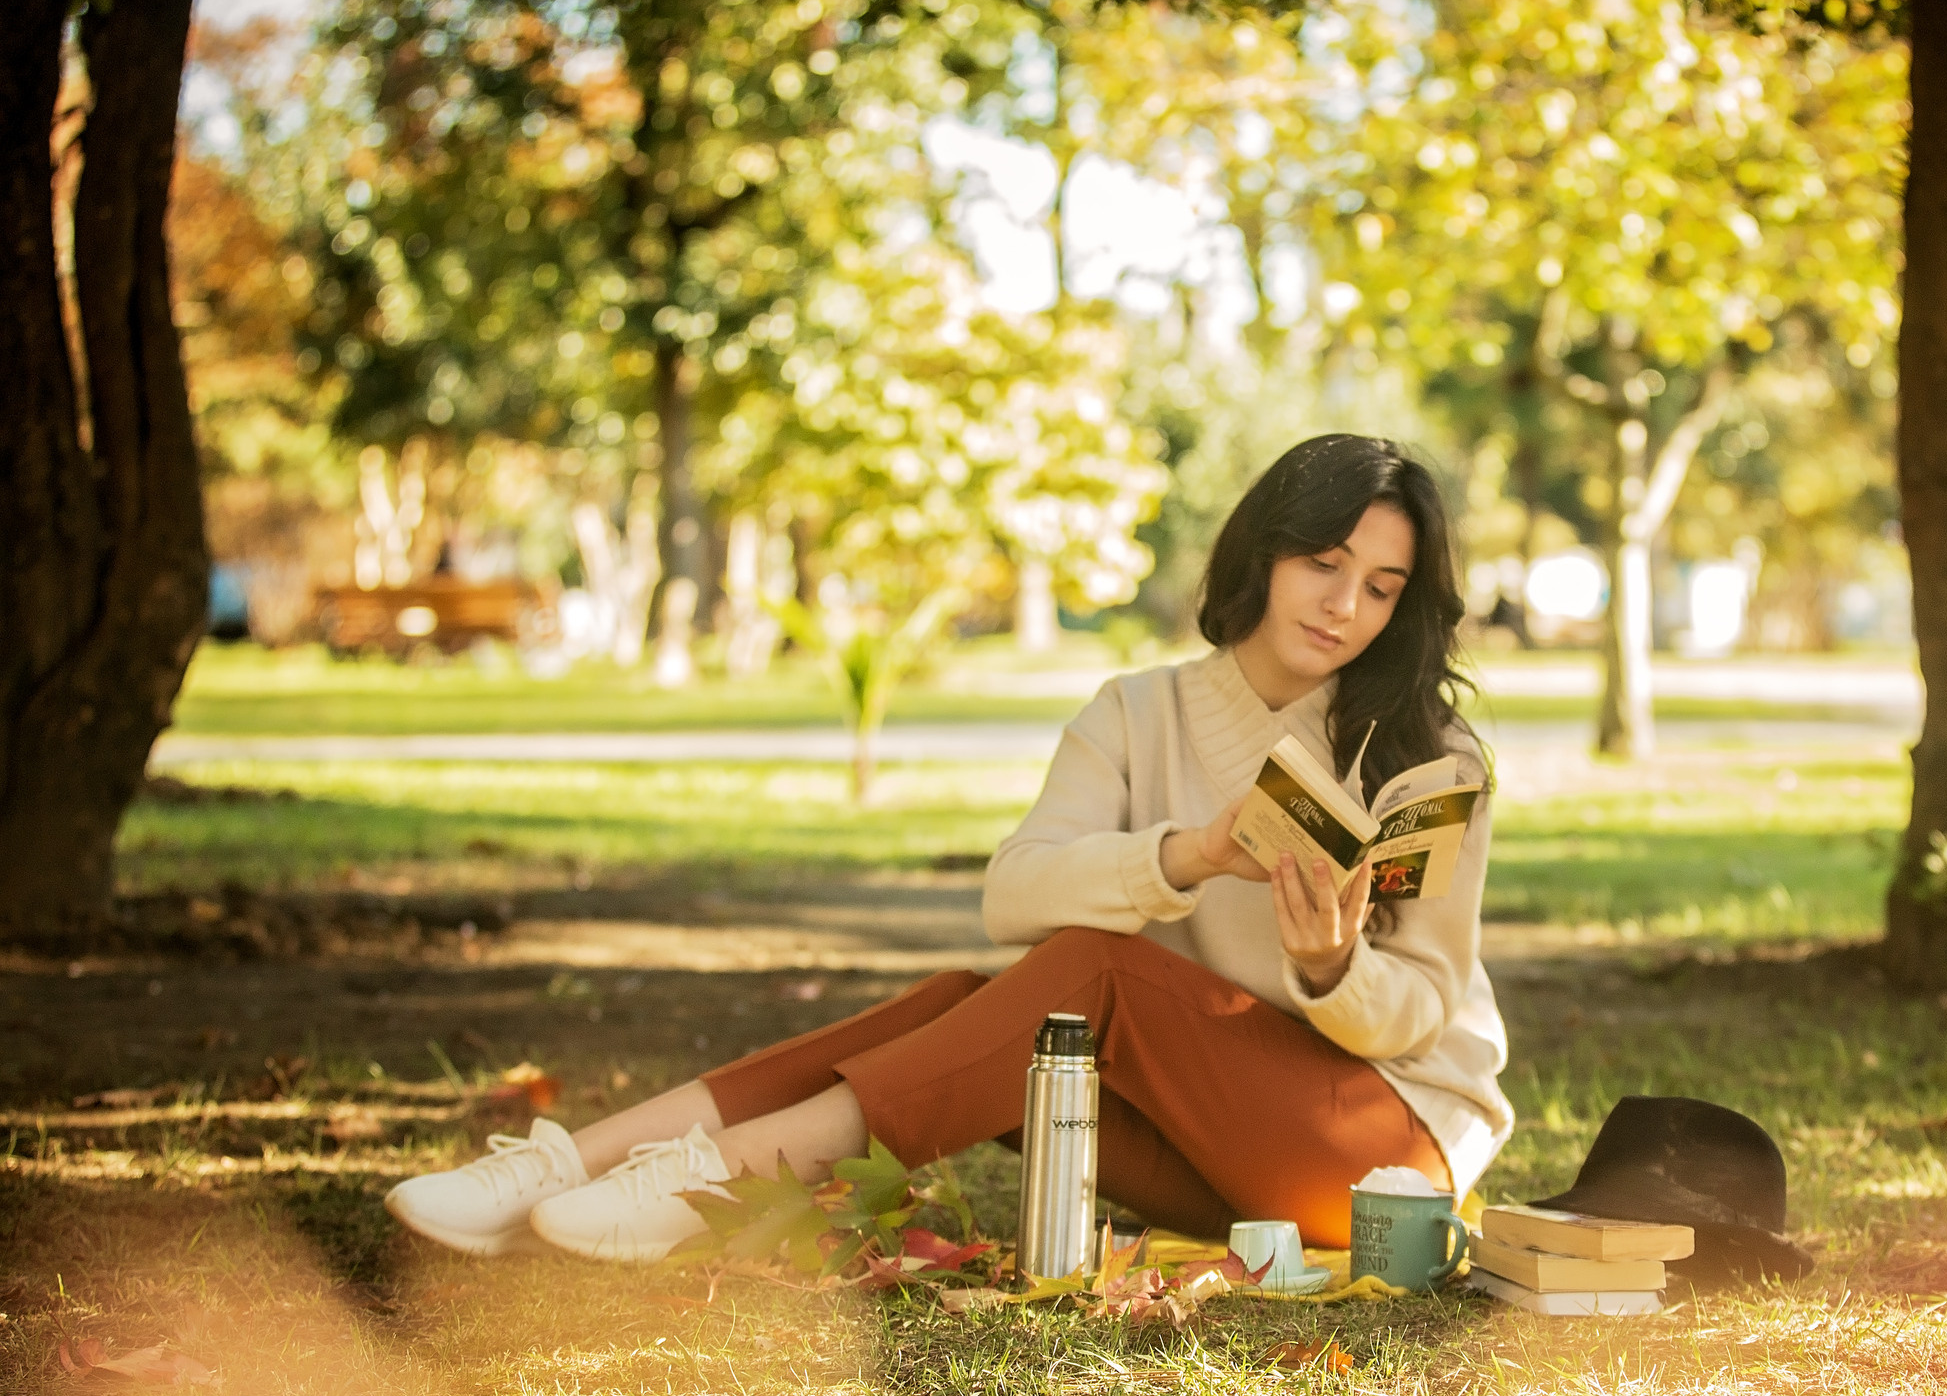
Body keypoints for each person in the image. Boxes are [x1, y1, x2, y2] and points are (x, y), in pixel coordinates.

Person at [384, 435, 1512, 1263]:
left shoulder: (1426, 756)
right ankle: (566, 1166)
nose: (1344, 608)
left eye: (1380, 587)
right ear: (1264, 554)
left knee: (1097, 976)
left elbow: (1420, 1006)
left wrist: (1329, 967)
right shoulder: (1137, 713)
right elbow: (1012, 895)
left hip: (1380, 1165)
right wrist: (1184, 856)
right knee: (971, 1003)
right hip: (1201, 1155)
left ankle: (713, 1180)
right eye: (1323, 563)